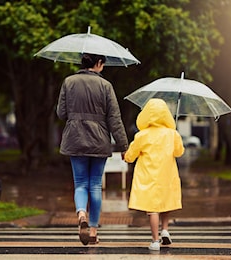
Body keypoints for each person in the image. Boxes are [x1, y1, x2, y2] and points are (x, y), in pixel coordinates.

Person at [56, 53, 128, 246]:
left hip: (75, 139)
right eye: (102, 64)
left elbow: (61, 113)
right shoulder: (106, 86)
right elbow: (114, 119)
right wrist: (123, 146)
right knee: (95, 185)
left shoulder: (68, 82)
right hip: (99, 140)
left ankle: (81, 214)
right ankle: (94, 231)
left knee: (80, 183)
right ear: (98, 63)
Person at [124, 98, 185, 251]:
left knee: (152, 208)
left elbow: (130, 156)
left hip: (148, 176)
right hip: (167, 175)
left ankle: (155, 240)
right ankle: (165, 229)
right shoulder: (172, 134)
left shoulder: (142, 135)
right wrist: (176, 137)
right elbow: (179, 152)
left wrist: (125, 156)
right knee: (166, 203)